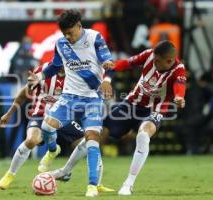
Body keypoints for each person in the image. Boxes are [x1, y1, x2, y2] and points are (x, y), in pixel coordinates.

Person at [48, 40, 186, 196]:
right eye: (154, 59)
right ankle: (65, 171)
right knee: (95, 134)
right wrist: (109, 75)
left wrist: (179, 97)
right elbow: (126, 63)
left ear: (169, 61)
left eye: (158, 62)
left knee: (143, 135)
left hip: (154, 110)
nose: (154, 62)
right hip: (130, 104)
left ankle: (129, 183)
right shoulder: (148, 55)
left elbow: (179, 87)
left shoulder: (179, 70)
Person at [28, 9, 113, 197]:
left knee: (92, 139)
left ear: (79, 26)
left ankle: (92, 186)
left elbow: (109, 64)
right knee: (47, 127)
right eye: (64, 33)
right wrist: (40, 77)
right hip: (69, 98)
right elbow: (54, 66)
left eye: (70, 32)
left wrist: (107, 80)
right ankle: (52, 151)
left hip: (92, 98)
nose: (68, 36)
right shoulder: (61, 44)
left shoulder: (95, 38)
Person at [0, 63, 113, 193]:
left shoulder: (78, 74)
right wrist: (9, 112)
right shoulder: (43, 71)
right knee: (31, 140)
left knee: (91, 139)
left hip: (64, 116)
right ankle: (10, 174)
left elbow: (105, 74)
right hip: (40, 114)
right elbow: (25, 93)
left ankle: (70, 173)